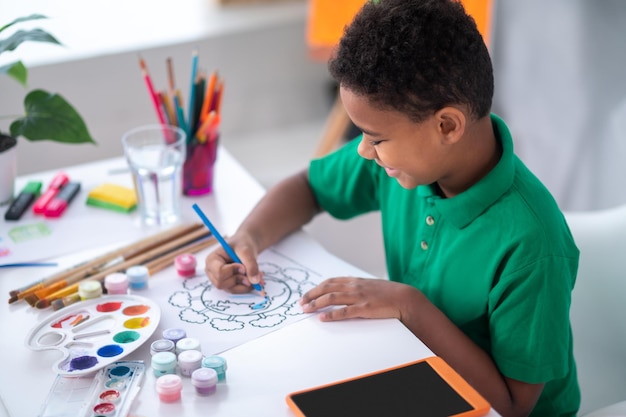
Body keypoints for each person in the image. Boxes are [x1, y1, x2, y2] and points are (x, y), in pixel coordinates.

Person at [204, 0, 580, 415]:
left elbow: (511, 406)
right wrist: (250, 237)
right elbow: (309, 186)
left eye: (375, 138)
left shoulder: (533, 244)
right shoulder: (406, 160)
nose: (364, 151)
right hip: (418, 374)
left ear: (447, 126)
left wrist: (410, 305)